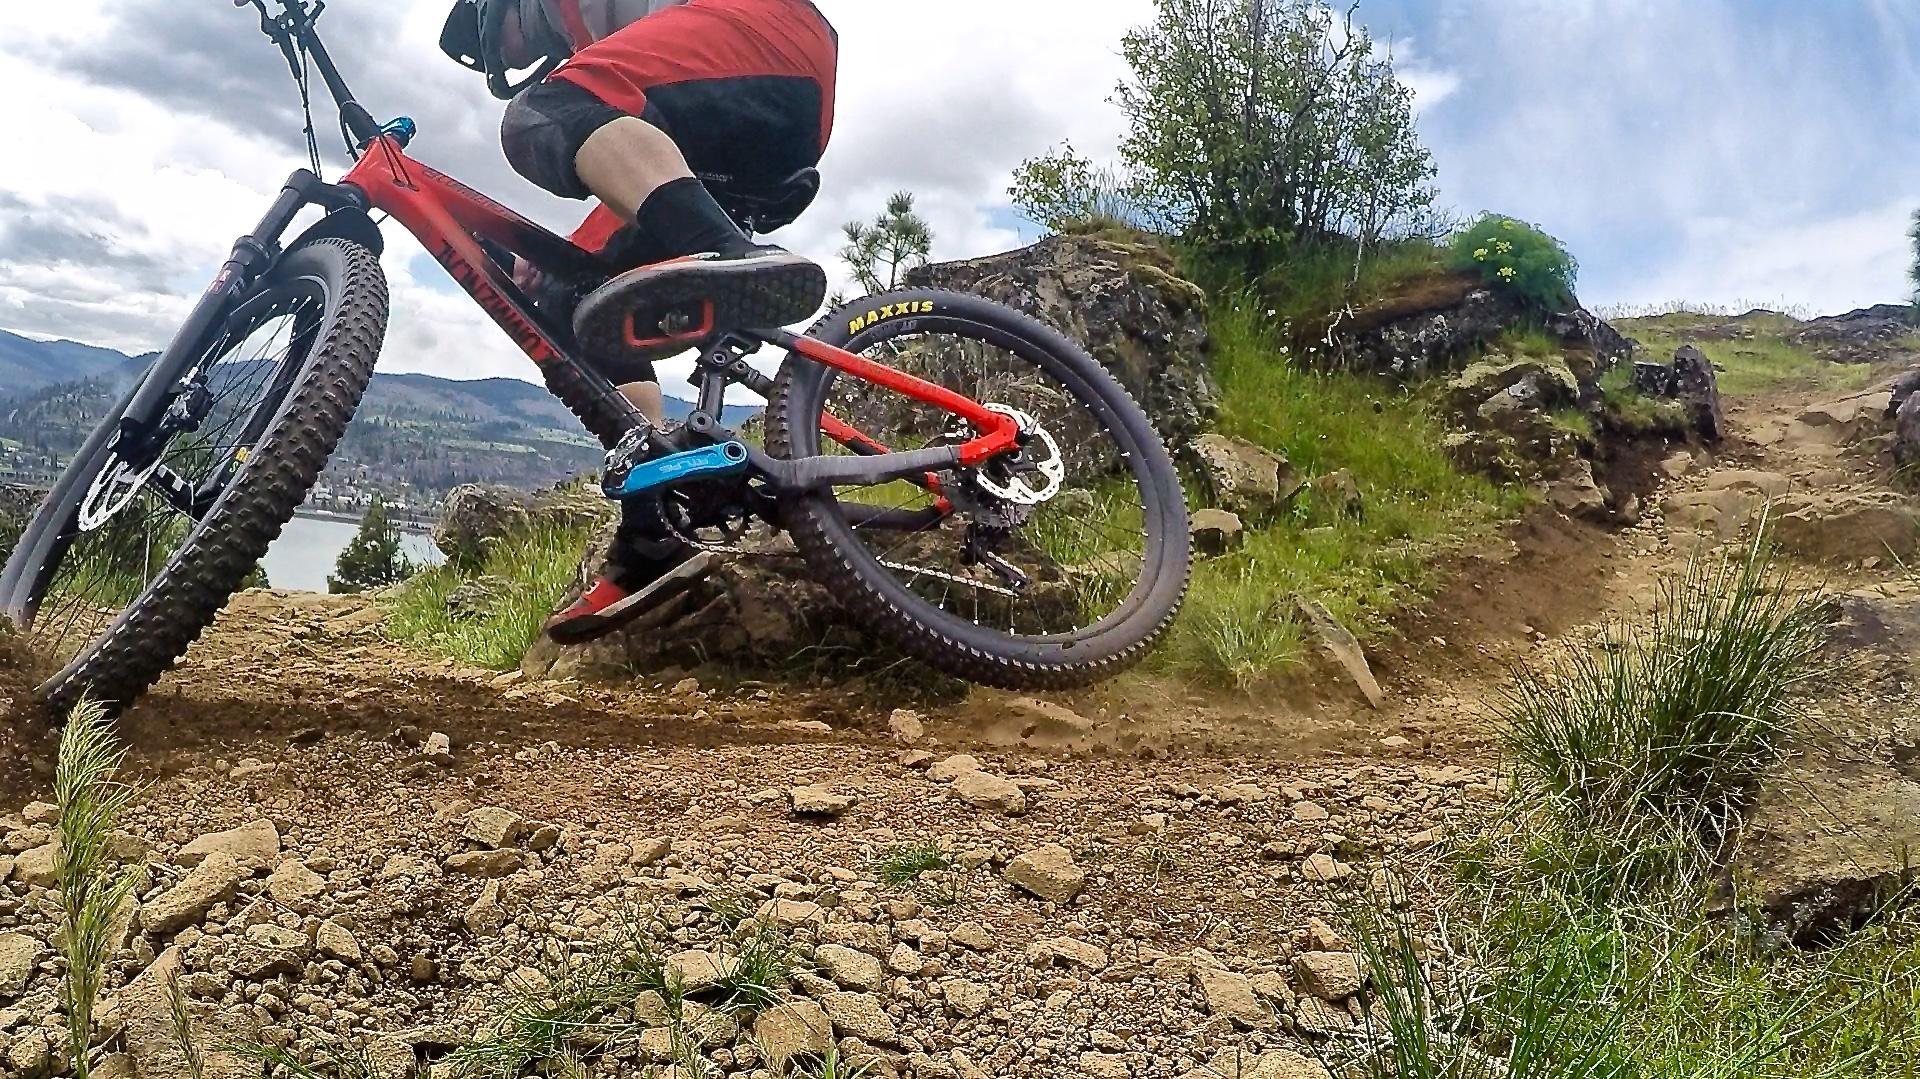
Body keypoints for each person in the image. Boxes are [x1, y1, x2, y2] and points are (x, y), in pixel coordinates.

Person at [449, 0, 837, 642]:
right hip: (720, 122)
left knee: (546, 113)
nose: (508, 60)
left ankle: (730, 250)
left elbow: (588, 105)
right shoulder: (601, 48)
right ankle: (658, 512)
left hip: (763, 35)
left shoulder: (588, 26)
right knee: (567, 297)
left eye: (498, 42)